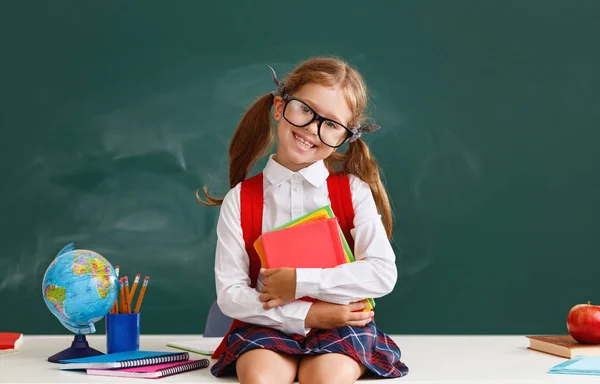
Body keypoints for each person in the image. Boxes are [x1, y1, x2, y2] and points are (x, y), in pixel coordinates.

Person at [198, 56, 408, 383]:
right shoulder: (241, 200)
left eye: (332, 124)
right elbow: (231, 295)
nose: (312, 128)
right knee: (259, 377)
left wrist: (299, 282)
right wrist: (308, 313)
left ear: (345, 137)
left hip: (342, 324)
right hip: (267, 324)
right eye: (305, 110)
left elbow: (382, 273)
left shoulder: (353, 192)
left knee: (325, 378)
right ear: (280, 108)